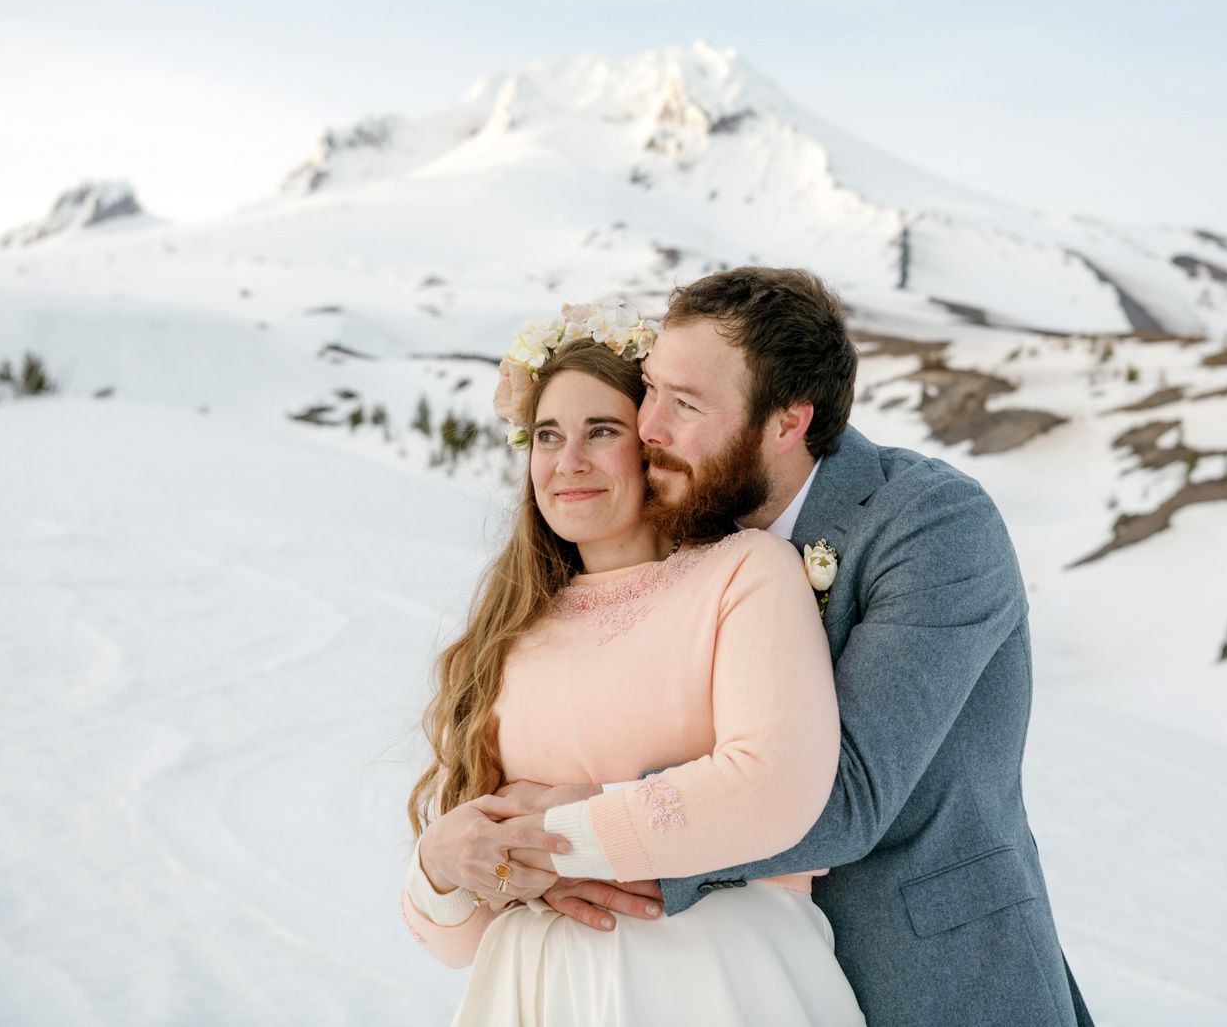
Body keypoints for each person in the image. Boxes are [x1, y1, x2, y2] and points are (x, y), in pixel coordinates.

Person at [421, 268, 1096, 1027]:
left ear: (786, 423)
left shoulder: (932, 524)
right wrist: (506, 856)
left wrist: (572, 834)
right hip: (739, 981)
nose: (649, 426)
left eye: (684, 403)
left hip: (934, 974)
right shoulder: (701, 522)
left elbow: (845, 796)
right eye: (651, 391)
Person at [400, 303, 867, 1025]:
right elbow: (453, 939)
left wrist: (560, 842)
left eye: (602, 432)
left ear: (650, 445)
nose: (569, 461)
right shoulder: (509, 632)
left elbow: (775, 788)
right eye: (547, 435)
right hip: (538, 994)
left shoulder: (745, 572)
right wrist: (440, 859)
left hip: (719, 985)